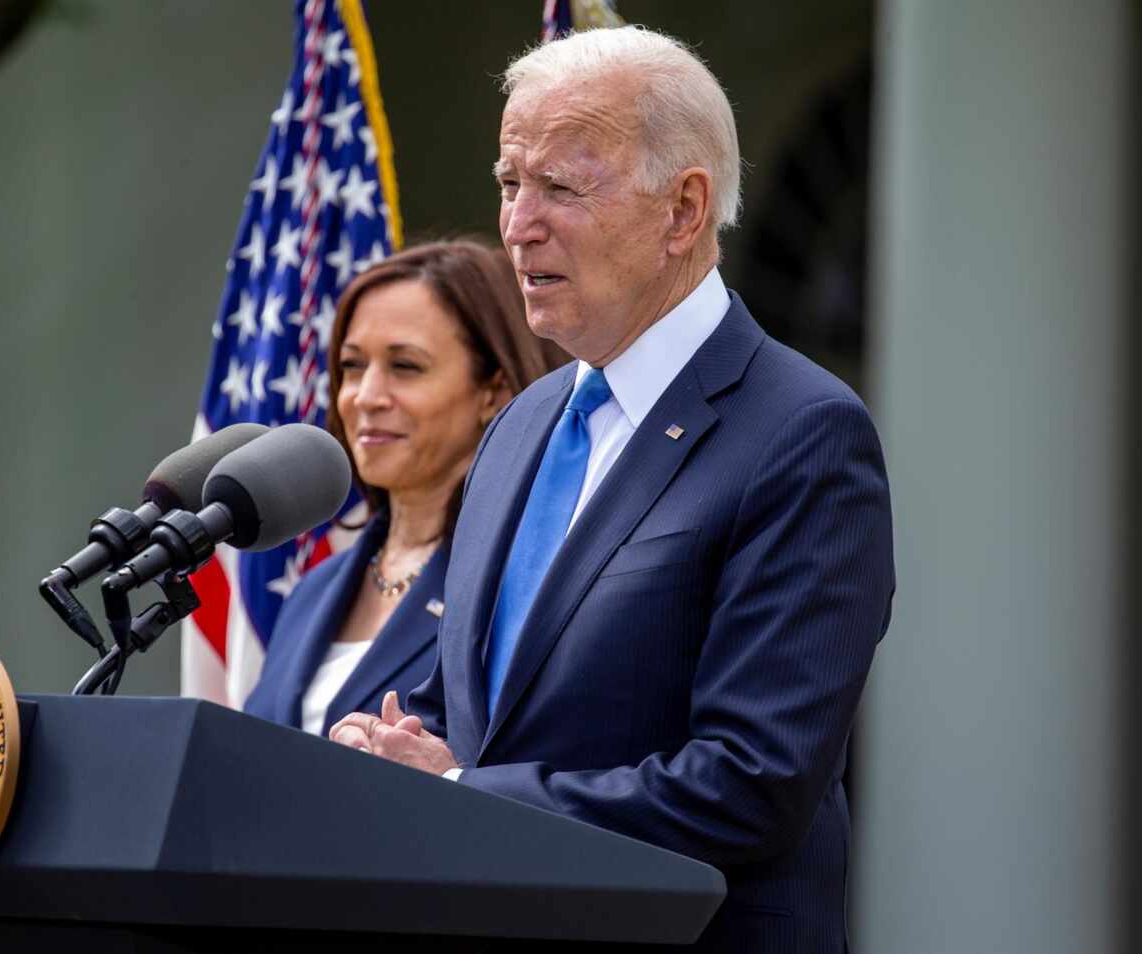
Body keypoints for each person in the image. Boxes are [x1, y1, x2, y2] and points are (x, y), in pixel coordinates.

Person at [330, 27, 894, 954]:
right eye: (512, 183)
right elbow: (475, 708)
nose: (517, 225)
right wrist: (385, 754)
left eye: (561, 186)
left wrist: (466, 797)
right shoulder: (522, 425)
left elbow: (753, 784)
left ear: (682, 210)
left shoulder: (802, 434)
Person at [244, 240, 566, 738]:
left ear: (493, 391)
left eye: (405, 367)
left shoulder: (525, 579)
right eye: (352, 366)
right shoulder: (314, 590)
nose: (366, 397)